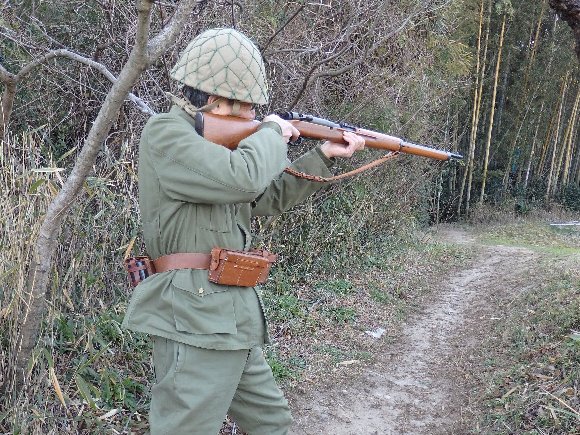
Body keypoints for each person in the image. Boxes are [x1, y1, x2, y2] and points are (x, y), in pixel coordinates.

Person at [122, 28, 365, 435]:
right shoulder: (166, 133)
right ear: (219, 100)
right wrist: (272, 133)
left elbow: (265, 197)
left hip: (230, 316)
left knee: (271, 423)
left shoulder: (220, 151)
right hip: (196, 317)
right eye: (249, 107)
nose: (253, 116)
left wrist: (322, 155)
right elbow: (245, 179)